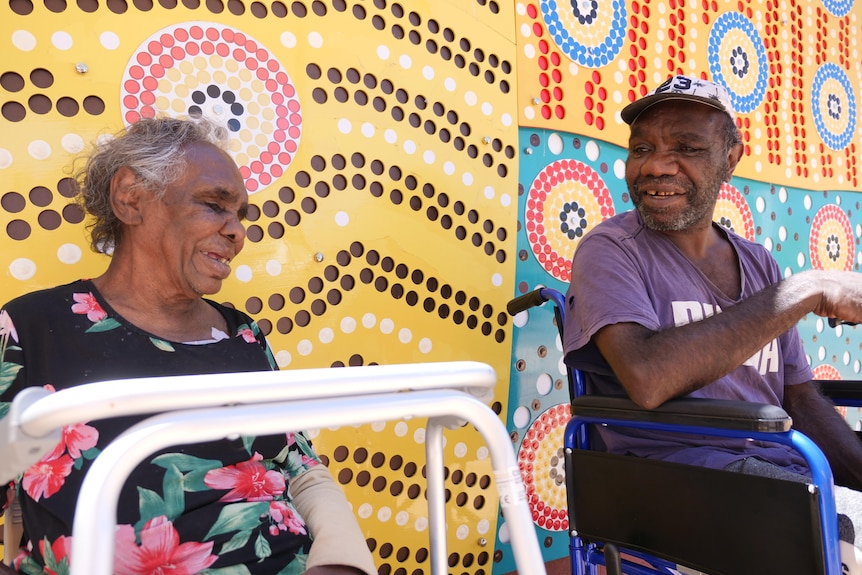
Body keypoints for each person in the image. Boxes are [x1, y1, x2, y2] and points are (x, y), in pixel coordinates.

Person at [0, 116, 376, 575]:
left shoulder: (242, 335)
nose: (238, 232)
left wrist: (342, 566)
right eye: (214, 205)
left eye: (240, 215)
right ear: (131, 199)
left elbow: (304, 472)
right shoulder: (32, 327)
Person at [562, 75, 862, 568]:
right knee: (846, 526)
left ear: (730, 159)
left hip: (779, 473)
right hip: (678, 483)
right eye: (642, 148)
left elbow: (799, 396)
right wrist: (806, 290)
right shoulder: (611, 250)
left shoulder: (759, 263)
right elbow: (647, 377)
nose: (656, 166)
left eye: (687, 147)